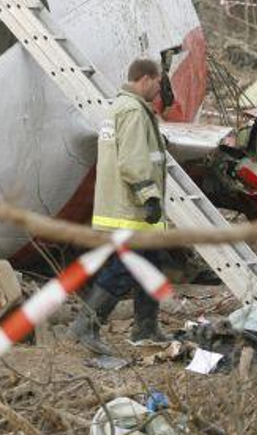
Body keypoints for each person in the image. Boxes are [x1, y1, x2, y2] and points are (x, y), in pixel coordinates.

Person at [69, 58, 170, 355]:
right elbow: (133, 160)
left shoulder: (118, 108)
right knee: (124, 267)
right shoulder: (133, 111)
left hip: (125, 206)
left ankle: (145, 327)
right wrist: (149, 196)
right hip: (132, 209)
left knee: (151, 265)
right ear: (146, 79)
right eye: (158, 81)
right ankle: (86, 325)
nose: (160, 88)